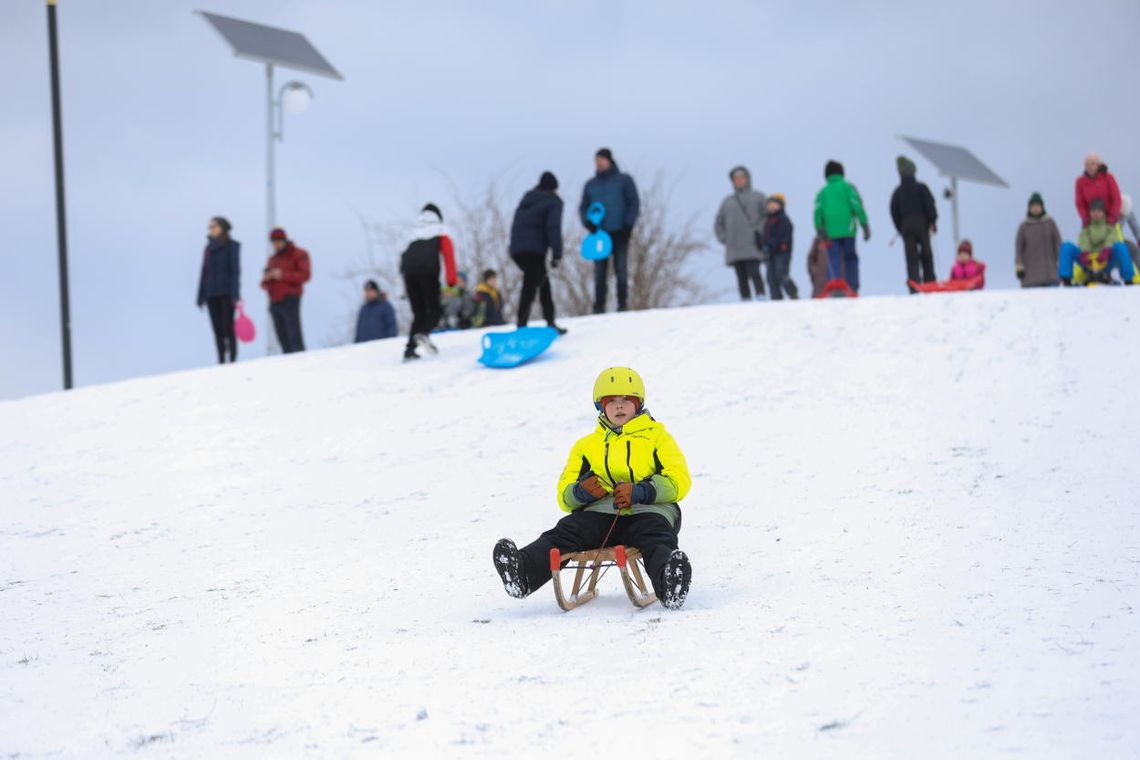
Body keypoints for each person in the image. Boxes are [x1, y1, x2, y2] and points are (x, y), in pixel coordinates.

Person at [492, 367, 693, 610]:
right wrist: (581, 493)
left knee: (657, 538)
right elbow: (564, 495)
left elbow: (679, 480)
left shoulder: (658, 438)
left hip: (649, 511)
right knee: (566, 530)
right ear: (601, 406)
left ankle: (670, 583)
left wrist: (643, 490)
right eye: (612, 401)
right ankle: (522, 573)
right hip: (601, 514)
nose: (619, 406)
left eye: (626, 400)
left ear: (638, 403)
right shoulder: (586, 446)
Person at [580, 148, 640, 313]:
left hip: (620, 232)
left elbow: (633, 203)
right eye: (596, 160)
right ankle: (599, 308)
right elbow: (583, 207)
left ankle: (622, 305)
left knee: (621, 270)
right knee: (599, 273)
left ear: (609, 160)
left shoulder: (624, 180)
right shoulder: (591, 185)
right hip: (599, 235)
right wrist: (588, 223)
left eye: (602, 159)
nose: (599, 163)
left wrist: (628, 225)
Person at [509, 171, 566, 333]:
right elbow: (553, 228)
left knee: (542, 282)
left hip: (517, 250)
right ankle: (522, 324)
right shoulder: (553, 202)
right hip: (534, 251)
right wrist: (557, 253)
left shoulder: (527, 199)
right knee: (531, 285)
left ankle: (550, 321)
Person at [400, 203, 457, 360]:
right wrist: (451, 280)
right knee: (435, 309)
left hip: (409, 274)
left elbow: (401, 258)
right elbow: (448, 253)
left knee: (419, 313)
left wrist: (400, 289)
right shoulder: (441, 229)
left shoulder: (411, 233)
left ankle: (409, 350)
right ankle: (423, 334)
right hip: (428, 272)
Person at [814, 160, 870, 293]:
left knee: (833, 257)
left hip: (830, 232)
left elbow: (817, 212)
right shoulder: (848, 187)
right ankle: (852, 286)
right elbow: (856, 205)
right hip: (848, 230)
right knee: (851, 257)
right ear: (842, 173)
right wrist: (864, 224)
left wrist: (819, 228)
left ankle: (835, 285)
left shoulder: (822, 192)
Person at [714, 166, 767, 300]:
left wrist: (759, 231)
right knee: (740, 276)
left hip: (752, 244)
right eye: (735, 179)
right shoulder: (727, 202)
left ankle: (761, 296)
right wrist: (725, 238)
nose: (739, 181)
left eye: (741, 178)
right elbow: (718, 222)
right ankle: (745, 299)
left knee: (755, 272)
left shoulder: (758, 197)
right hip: (734, 246)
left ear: (747, 179)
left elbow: (767, 217)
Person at [1059, 199, 1136, 286]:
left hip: (1105, 261)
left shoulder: (1110, 227)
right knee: (1066, 247)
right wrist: (1085, 253)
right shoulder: (1086, 228)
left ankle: (1128, 279)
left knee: (1121, 247)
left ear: (1103, 212)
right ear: (1090, 213)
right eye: (1093, 211)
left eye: (1099, 211)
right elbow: (1084, 240)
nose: (1096, 213)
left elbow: (1111, 238)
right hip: (1088, 261)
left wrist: (1107, 250)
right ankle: (1066, 279)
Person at [890, 156, 939, 292]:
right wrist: (933, 221)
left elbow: (893, 210)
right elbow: (930, 205)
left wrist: (900, 227)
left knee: (911, 257)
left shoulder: (897, 192)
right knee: (926, 254)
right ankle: (930, 282)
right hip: (922, 224)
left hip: (906, 226)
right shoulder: (921, 188)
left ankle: (914, 285)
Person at [196, 216, 241, 364]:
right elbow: (204, 272)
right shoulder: (208, 248)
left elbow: (235, 271)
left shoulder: (232, 246)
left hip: (227, 292)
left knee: (228, 326)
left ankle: (232, 359)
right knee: (217, 329)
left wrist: (235, 294)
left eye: (214, 226)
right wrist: (200, 295)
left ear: (223, 227)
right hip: (211, 293)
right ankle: (221, 359)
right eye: (209, 227)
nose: (211, 229)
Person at [260, 227, 311, 353]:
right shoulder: (272, 259)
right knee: (282, 336)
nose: (276, 244)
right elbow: (264, 285)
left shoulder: (299, 254)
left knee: (293, 334)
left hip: (290, 298)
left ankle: (300, 359)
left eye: (278, 240)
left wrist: (282, 275)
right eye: (273, 241)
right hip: (274, 301)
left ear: (284, 240)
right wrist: (267, 278)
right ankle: (288, 361)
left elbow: (305, 275)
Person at [1015, 193, 1062, 288]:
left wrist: (1060, 262)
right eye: (1033, 206)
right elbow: (1019, 248)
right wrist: (1019, 266)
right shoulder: (1024, 226)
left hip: (1050, 275)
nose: (1035, 208)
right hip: (1031, 278)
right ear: (1029, 208)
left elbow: (1058, 243)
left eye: (1038, 205)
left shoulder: (1049, 223)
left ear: (1042, 207)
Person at [761, 193, 798, 299]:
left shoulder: (784, 220)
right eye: (770, 204)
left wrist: (770, 245)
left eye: (774, 204)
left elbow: (782, 237)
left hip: (782, 253)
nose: (771, 207)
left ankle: (793, 293)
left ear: (781, 205)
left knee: (781, 274)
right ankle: (776, 300)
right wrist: (763, 244)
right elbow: (766, 237)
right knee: (771, 278)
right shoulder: (767, 221)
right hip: (770, 254)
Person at [1075, 152, 1121, 227]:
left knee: (1115, 238)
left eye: (1093, 163)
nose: (1090, 167)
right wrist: (1086, 219)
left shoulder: (1108, 177)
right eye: (1087, 164)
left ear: (1098, 164)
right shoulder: (1080, 181)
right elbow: (1079, 203)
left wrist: (1112, 217)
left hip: (1110, 219)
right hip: (1091, 222)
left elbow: (1116, 198)